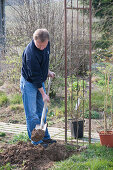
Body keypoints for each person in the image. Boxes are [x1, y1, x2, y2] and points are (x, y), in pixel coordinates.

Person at [20, 28, 56, 148]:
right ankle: (36, 142)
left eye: (43, 45)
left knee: (43, 111)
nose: (41, 48)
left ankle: (45, 138)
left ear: (47, 41)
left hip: (39, 79)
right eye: (39, 45)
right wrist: (43, 94)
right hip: (29, 82)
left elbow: (44, 61)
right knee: (32, 114)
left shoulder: (47, 44)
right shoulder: (30, 53)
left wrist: (47, 71)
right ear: (34, 40)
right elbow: (34, 76)